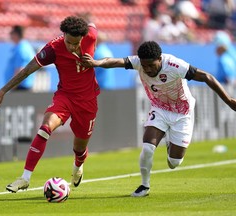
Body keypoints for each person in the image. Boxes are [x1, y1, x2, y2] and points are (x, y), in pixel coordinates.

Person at [81, 41, 236, 197]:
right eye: (144, 65)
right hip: (160, 109)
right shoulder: (138, 62)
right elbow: (113, 61)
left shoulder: (175, 65)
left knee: (174, 163)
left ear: (160, 59)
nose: (147, 69)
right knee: (148, 148)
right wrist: (96, 63)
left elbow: (206, 76)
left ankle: (170, 143)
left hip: (183, 112)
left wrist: (229, 100)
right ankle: (144, 186)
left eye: (151, 65)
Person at [0, 16, 99, 193]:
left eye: (76, 43)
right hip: (65, 96)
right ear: (63, 35)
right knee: (45, 127)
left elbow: (92, 25)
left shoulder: (91, 36)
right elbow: (26, 70)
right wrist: (3, 91)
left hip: (87, 101)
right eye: (69, 42)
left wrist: (85, 18)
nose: (73, 47)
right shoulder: (53, 49)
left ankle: (78, 164)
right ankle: (25, 178)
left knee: (79, 148)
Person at [5, 25, 36, 91]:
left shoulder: (21, 48)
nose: (10, 35)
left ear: (16, 34)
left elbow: (20, 69)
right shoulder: (24, 46)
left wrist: (12, 86)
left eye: (11, 33)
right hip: (21, 86)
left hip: (21, 87)